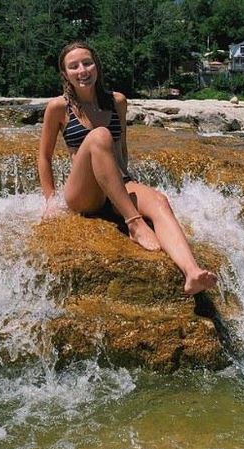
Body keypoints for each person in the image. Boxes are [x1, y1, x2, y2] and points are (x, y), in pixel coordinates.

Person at [37, 41, 218, 296]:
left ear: (96, 66)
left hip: (117, 183)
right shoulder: (58, 108)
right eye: (74, 66)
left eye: (87, 63)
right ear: (65, 74)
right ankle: (134, 224)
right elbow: (43, 157)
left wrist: (131, 184)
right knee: (100, 136)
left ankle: (191, 272)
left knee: (159, 201)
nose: (82, 70)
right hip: (84, 193)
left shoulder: (117, 102)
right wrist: (50, 201)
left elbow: (121, 149)